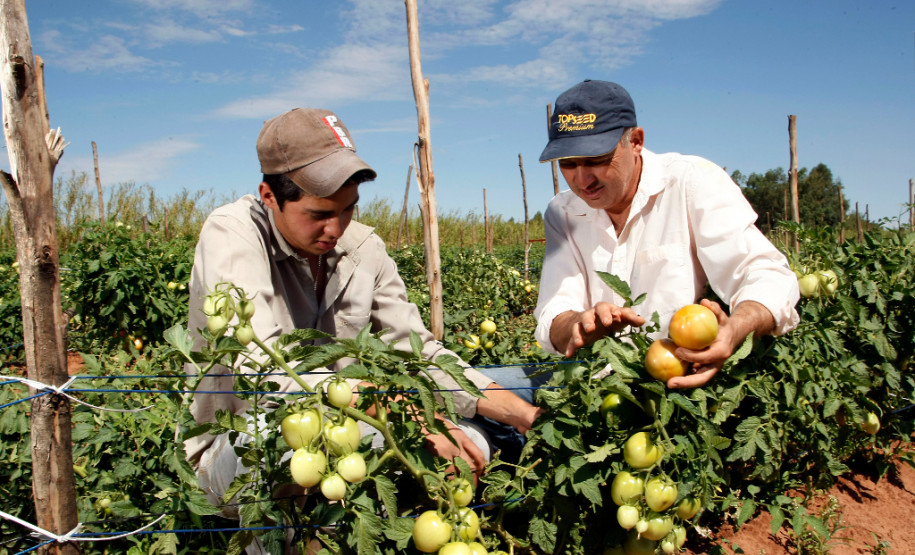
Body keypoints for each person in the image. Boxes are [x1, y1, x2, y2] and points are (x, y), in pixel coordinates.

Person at [183, 108, 540, 545]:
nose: (336, 228)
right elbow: (268, 375)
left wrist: (521, 413)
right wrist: (402, 412)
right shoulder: (233, 234)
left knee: (470, 442)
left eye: (348, 209)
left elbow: (418, 352)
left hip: (355, 429)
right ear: (269, 196)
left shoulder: (363, 247)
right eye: (318, 213)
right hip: (239, 451)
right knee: (297, 444)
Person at [533, 80, 800, 388]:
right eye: (567, 164)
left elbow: (765, 274)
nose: (582, 180)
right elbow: (554, 312)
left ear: (635, 141)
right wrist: (578, 325)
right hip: (600, 388)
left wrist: (736, 328)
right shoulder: (563, 212)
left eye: (596, 160)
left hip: (691, 380)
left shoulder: (691, 183)